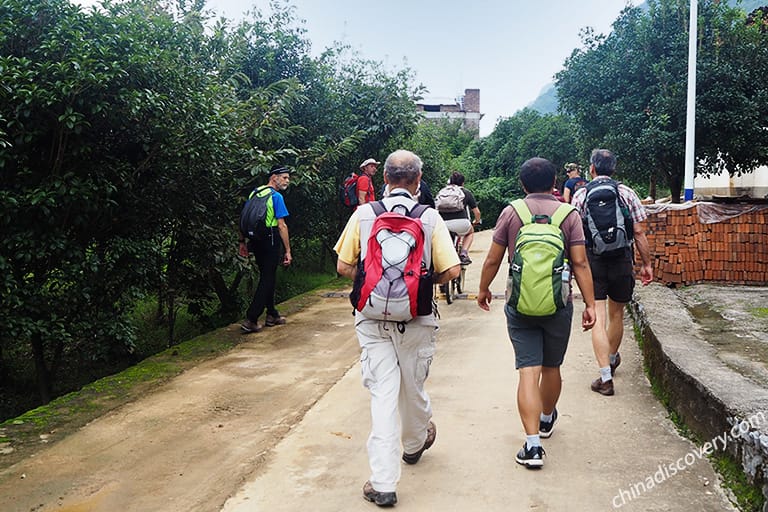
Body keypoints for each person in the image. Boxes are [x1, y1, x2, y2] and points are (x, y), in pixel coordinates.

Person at [334, 149, 460, 506]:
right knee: (413, 385)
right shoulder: (429, 217)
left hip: (372, 320)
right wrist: (417, 283)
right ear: (418, 181)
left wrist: (375, 283)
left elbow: (344, 266)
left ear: (385, 180)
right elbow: (451, 272)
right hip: (417, 317)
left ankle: (384, 483)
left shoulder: (363, 214)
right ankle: (415, 442)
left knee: (384, 395)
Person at [476, 157, 596, 469]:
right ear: (555, 183)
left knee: (528, 371)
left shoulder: (511, 212)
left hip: (520, 304)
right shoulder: (569, 215)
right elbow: (581, 263)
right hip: (558, 303)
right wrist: (591, 304)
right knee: (552, 366)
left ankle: (532, 447)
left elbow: (492, 258)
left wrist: (483, 288)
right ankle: (545, 419)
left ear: (523, 183)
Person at [571, 149, 653, 396]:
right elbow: (638, 232)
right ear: (614, 170)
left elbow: (574, 235)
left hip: (592, 262)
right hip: (621, 258)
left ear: (592, 169)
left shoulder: (581, 195)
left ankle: (605, 377)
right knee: (616, 314)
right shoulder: (626, 192)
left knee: (596, 315)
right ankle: (613, 357)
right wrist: (647, 264)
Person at [239, 167, 293, 333]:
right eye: (284, 178)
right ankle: (251, 319)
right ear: (274, 178)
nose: (287, 181)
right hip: (270, 239)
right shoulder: (276, 197)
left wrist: (242, 241)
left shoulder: (255, 193)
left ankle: (272, 314)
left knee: (267, 275)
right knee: (267, 278)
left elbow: (244, 216)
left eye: (288, 178)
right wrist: (288, 251)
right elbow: (282, 225)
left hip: (255, 240)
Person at [438, 172, 481, 264]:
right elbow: (477, 212)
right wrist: (476, 221)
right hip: (462, 223)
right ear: (462, 183)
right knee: (470, 232)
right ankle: (464, 254)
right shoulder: (466, 192)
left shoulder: (443, 192)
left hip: (443, 224)